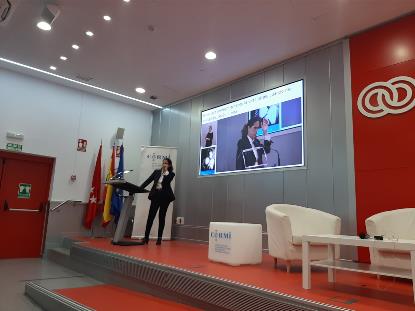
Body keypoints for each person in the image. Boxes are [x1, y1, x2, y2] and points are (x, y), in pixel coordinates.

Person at [139, 158, 175, 245]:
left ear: (169, 165)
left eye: (166, 163)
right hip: (155, 196)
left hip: (165, 198)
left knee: (161, 217)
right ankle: (146, 237)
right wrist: (139, 188)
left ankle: (159, 239)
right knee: (151, 217)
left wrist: (165, 172)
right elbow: (148, 181)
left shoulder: (171, 174)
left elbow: (166, 182)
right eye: (163, 163)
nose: (164, 164)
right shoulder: (156, 172)